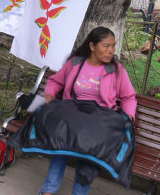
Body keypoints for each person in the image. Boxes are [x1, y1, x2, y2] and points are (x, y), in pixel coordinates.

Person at [39, 27, 137, 195]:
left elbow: (129, 96)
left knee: (90, 148)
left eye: (113, 46)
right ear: (92, 46)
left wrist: (128, 115)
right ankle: (48, 191)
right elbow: (55, 81)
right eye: (106, 46)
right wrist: (49, 94)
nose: (111, 51)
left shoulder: (116, 70)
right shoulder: (76, 63)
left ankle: (79, 193)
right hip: (74, 116)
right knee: (60, 141)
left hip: (100, 121)